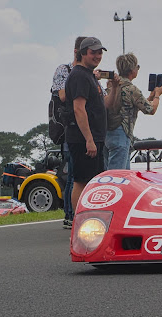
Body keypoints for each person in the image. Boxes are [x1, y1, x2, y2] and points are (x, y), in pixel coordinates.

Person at [65, 37, 108, 213]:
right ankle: (79, 220)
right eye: (93, 52)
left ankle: (91, 218)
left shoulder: (89, 76)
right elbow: (78, 109)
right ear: (83, 53)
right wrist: (89, 139)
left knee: (93, 181)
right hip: (83, 139)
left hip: (95, 137)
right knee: (82, 181)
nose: (97, 56)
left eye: (100, 52)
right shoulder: (79, 76)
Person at [104, 52, 162, 170]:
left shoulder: (112, 86)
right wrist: (157, 95)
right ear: (132, 70)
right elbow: (150, 109)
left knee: (111, 173)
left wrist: (150, 97)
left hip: (108, 133)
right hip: (122, 132)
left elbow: (133, 105)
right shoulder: (131, 89)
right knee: (118, 176)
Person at [51, 35, 86, 228]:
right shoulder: (63, 70)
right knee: (73, 174)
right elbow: (63, 96)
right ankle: (70, 214)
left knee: (81, 173)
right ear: (77, 52)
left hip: (88, 129)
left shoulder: (88, 74)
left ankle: (78, 212)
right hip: (70, 129)